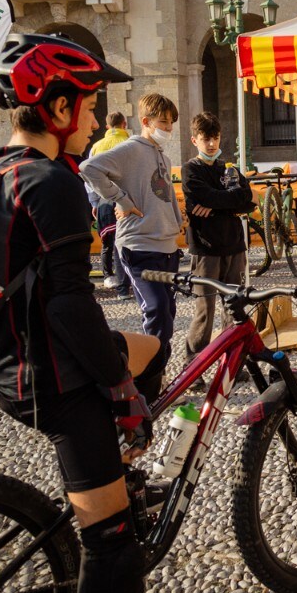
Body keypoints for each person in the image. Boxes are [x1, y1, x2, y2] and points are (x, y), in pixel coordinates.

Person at [0, 32, 157, 593]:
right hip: (55, 377)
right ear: (58, 109)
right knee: (114, 552)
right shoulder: (52, 181)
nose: (95, 119)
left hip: (8, 363)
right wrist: (122, 394)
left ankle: (118, 470)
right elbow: (70, 309)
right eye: (90, 103)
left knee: (152, 346)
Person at [82, 94, 184, 363]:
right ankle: (152, 377)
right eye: (163, 122)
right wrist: (122, 200)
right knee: (157, 310)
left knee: (167, 311)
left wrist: (177, 222)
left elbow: (167, 192)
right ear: (146, 121)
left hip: (167, 247)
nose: (169, 129)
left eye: (171, 123)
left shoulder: (160, 154)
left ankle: (155, 372)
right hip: (139, 246)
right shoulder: (130, 149)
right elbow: (89, 168)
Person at [181, 111, 253, 379]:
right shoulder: (191, 169)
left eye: (215, 138)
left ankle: (231, 365)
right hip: (206, 248)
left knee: (233, 308)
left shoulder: (229, 168)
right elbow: (202, 195)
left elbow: (247, 199)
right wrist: (231, 203)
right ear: (194, 140)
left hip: (235, 245)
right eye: (205, 138)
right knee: (205, 310)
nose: (211, 144)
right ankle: (193, 369)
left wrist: (216, 205)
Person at [88, 111, 132, 295]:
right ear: (124, 124)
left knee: (109, 241)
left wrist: (94, 202)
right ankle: (127, 282)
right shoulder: (131, 145)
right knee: (127, 241)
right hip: (129, 200)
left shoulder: (97, 146)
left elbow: (88, 178)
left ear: (107, 126)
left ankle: (109, 276)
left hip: (105, 200)